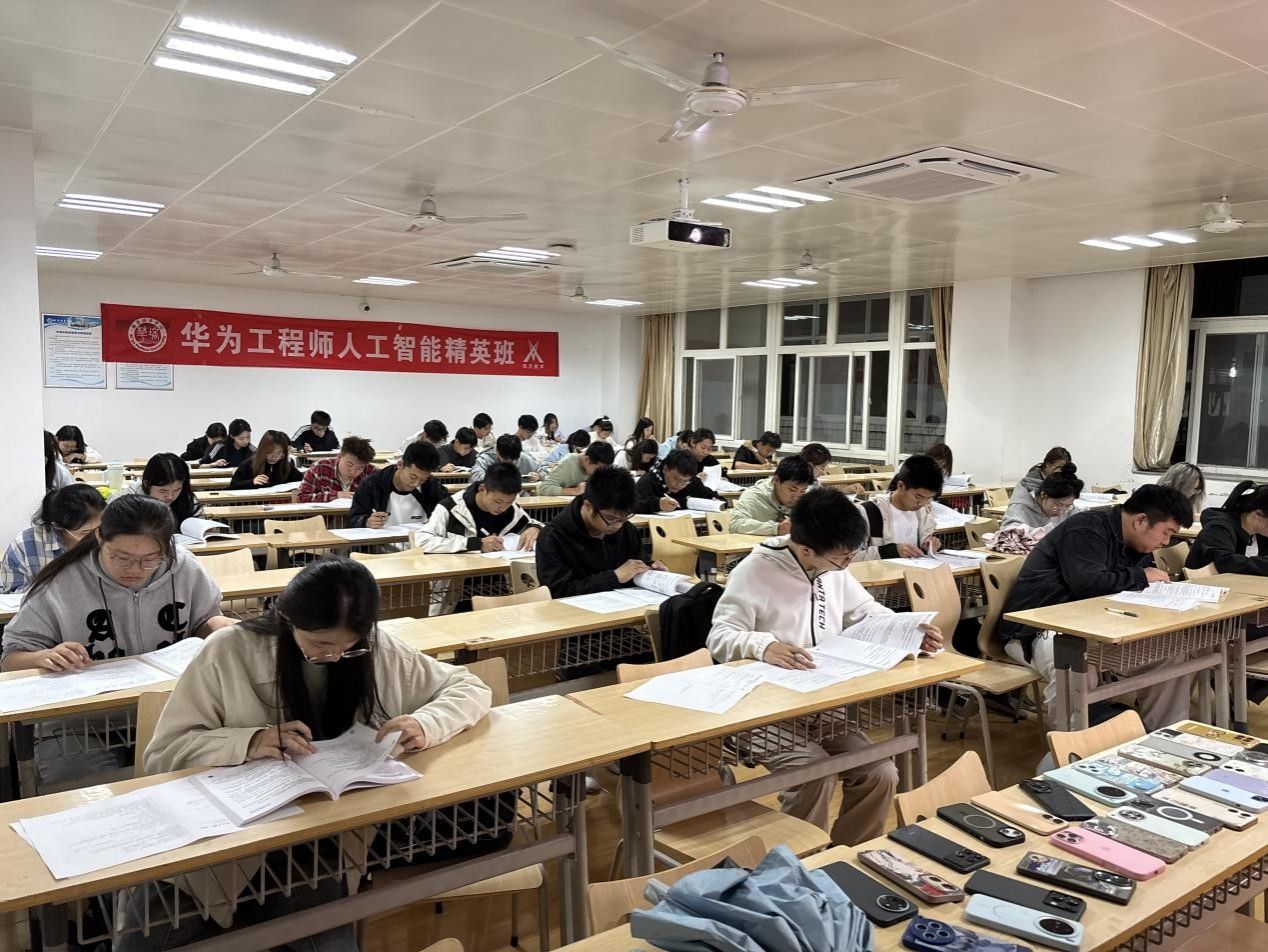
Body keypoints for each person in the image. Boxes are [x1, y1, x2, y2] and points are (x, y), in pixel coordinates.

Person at [122, 557, 491, 952]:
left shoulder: (374, 646)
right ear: (288, 618)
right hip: (218, 842)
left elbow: (469, 687)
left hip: (314, 840)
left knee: (327, 940)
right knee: (148, 939)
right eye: (320, 645)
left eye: (348, 647)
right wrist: (249, 742)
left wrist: (427, 722)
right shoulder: (229, 651)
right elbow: (164, 754)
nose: (334, 656)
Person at [707, 488, 942, 845]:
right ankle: (800, 864)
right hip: (764, 710)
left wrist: (907, 632)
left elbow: (865, 610)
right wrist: (764, 646)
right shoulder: (755, 570)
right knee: (814, 773)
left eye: (851, 555)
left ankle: (845, 856)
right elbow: (720, 636)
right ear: (806, 550)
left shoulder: (833, 566)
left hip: (822, 702)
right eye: (841, 558)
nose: (847, 564)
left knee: (880, 772)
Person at [1, 495, 232, 785]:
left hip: (173, 712)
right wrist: (42, 657)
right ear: (100, 537)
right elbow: (10, 658)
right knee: (87, 791)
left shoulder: (184, 567)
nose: (134, 569)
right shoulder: (61, 582)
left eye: (150, 559)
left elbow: (204, 621)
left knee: (207, 782)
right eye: (121, 557)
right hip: (80, 724)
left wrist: (222, 627)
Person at [999, 484, 1195, 728]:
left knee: (1170, 653)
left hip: (1098, 628)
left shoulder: (1136, 543)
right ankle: (1072, 742)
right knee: (1076, 666)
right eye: (1166, 532)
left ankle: (1164, 735)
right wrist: (1141, 576)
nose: (1166, 542)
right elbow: (1089, 584)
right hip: (1038, 630)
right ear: (1141, 521)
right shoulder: (1085, 530)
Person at [535, 467, 665, 598]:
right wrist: (614, 577)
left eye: (624, 518)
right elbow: (558, 592)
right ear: (588, 506)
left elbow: (636, 563)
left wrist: (650, 568)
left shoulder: (626, 529)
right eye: (610, 518)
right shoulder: (553, 537)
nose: (618, 525)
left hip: (625, 603)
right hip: (576, 609)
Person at [417, 462, 542, 554]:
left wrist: (535, 528)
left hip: (500, 575)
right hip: (459, 577)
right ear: (483, 489)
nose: (503, 508)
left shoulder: (513, 511)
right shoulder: (451, 508)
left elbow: (535, 524)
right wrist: (476, 544)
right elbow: (422, 542)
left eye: (510, 502)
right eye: (498, 501)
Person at [0, 484, 105, 594]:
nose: (98, 536)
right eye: (86, 532)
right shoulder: (25, 545)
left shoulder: (110, 539)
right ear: (58, 526)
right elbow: (11, 594)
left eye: (101, 528)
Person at [348, 440, 448, 531]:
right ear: (400, 465)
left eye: (423, 479)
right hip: (382, 543)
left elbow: (449, 513)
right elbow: (352, 521)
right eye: (413, 477)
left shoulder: (432, 486)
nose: (416, 483)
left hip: (421, 542)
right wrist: (366, 521)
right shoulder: (372, 484)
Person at [859, 453, 943, 559]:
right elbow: (850, 557)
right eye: (918, 496)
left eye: (929, 498)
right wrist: (890, 551)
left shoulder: (923, 512)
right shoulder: (868, 512)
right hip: (882, 570)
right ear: (901, 486)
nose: (922, 503)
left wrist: (929, 545)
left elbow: (926, 541)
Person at [1187, 480, 1268, 576]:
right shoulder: (1219, 528)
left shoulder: (1259, 534)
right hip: (1201, 583)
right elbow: (1225, 563)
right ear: (1258, 514)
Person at [731, 457, 815, 535]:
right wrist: (776, 528)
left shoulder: (806, 496)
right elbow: (735, 524)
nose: (796, 497)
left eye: (802, 491)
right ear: (776, 480)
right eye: (792, 490)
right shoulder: (755, 495)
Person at [114, 453, 205, 523]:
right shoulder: (124, 504)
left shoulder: (186, 499)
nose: (170, 497)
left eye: (177, 490)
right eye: (163, 491)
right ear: (146, 484)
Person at [635, 449, 722, 513]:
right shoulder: (648, 481)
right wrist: (657, 504)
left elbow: (709, 494)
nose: (680, 485)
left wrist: (716, 500)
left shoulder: (692, 481)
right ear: (665, 469)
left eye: (685, 481)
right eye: (676, 479)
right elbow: (633, 506)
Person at [1001, 464, 1083, 531]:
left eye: (1068, 505)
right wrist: (1044, 532)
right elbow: (1008, 532)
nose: (1061, 510)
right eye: (1058, 504)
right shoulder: (1020, 507)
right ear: (1043, 494)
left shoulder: (1069, 509)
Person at [299, 436, 376, 503]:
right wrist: (336, 495)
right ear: (339, 457)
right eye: (349, 465)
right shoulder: (320, 468)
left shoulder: (371, 472)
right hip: (326, 515)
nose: (353, 471)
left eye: (360, 468)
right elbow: (302, 498)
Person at [229, 430, 302, 489]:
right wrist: (252, 482)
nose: (274, 457)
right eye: (270, 451)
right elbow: (232, 487)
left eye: (279, 453)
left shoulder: (286, 465)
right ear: (262, 449)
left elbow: (302, 481)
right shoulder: (247, 465)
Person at [539, 441, 614, 497]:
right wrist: (574, 491)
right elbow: (544, 488)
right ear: (587, 460)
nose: (601, 473)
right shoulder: (568, 462)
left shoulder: (600, 465)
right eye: (599, 469)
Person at [470, 433, 538, 482]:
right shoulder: (486, 458)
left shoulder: (521, 456)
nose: (508, 462)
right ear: (497, 451)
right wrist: (494, 479)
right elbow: (474, 476)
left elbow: (541, 468)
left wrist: (539, 476)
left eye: (512, 460)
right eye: (505, 458)